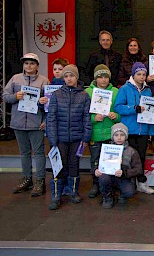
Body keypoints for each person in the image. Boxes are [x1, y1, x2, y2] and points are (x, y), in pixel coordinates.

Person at [3, 53, 49, 196]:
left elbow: (49, 102)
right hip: (18, 123)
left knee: (39, 153)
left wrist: (45, 119)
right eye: (26, 63)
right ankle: (27, 179)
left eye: (32, 63)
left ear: (37, 66)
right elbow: (5, 96)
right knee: (24, 153)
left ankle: (40, 180)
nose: (29, 66)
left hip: (36, 123)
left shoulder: (44, 81)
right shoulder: (15, 79)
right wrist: (14, 97)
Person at [47, 65, 92, 210]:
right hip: (60, 138)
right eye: (66, 76)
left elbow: (86, 118)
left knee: (74, 165)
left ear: (76, 77)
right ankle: (56, 195)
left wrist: (86, 137)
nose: (69, 79)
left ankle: (73, 191)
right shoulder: (56, 95)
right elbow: (51, 118)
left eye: (71, 76)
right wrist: (52, 139)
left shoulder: (84, 95)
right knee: (58, 167)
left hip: (77, 138)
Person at [114, 62, 154, 194]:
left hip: (143, 130)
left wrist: (150, 131)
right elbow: (118, 107)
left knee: (141, 157)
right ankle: (128, 183)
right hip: (129, 130)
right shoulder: (124, 89)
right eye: (139, 74)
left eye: (144, 74)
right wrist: (133, 109)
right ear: (133, 75)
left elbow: (150, 112)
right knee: (127, 158)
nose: (142, 77)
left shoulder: (148, 90)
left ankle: (141, 182)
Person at [85, 64, 120, 198]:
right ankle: (96, 184)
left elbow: (120, 111)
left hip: (111, 133)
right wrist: (94, 118)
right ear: (95, 78)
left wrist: (116, 116)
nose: (104, 80)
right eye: (100, 77)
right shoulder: (88, 92)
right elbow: (83, 114)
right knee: (95, 160)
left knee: (112, 160)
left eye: (106, 77)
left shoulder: (116, 91)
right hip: (95, 133)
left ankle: (110, 184)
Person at [95, 123, 142, 208]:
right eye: (116, 135)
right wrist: (96, 170)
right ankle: (107, 197)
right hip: (109, 176)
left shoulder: (132, 151)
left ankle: (122, 195)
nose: (119, 138)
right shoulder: (106, 149)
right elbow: (97, 163)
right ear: (113, 137)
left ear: (126, 136)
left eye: (122, 135)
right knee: (103, 178)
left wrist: (125, 173)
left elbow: (138, 169)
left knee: (130, 192)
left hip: (124, 178)